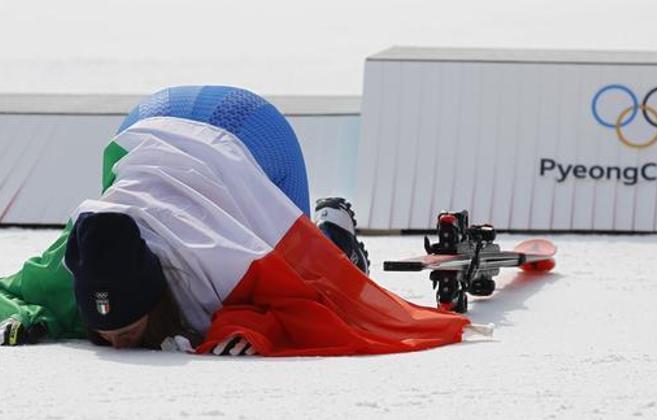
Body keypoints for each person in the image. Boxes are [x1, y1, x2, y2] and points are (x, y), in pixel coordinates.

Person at [0, 86, 469, 356]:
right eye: (108, 332)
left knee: (314, 271)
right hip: (144, 124)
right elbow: (9, 293)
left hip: (250, 131)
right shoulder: (75, 259)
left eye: (129, 331)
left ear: (157, 293)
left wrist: (253, 328)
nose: (119, 345)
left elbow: (294, 305)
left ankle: (335, 232)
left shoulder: (220, 257)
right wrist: (28, 317)